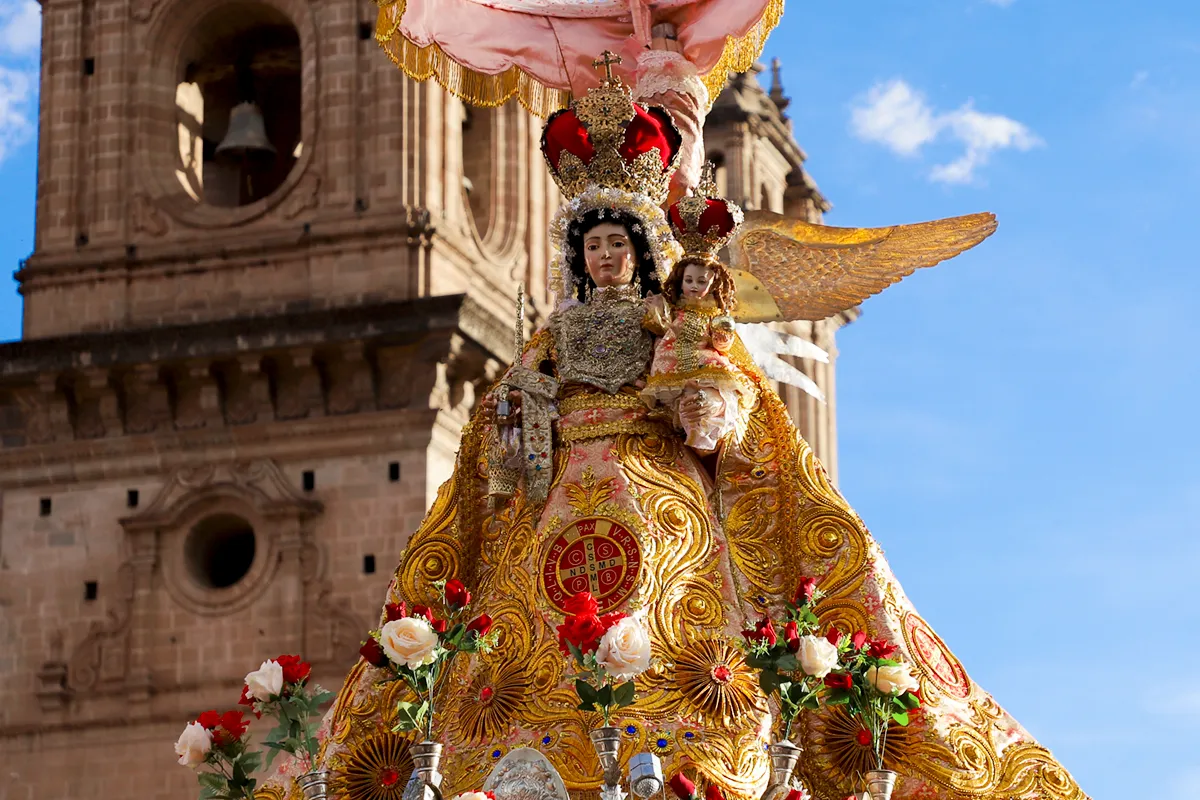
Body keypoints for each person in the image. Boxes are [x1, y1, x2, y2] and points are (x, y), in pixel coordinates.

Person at [305, 71, 1088, 800]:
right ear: (577, 257)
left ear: (642, 253)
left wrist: (709, 409)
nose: (604, 257)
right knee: (521, 645)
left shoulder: (668, 323)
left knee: (681, 634)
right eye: (591, 246)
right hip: (551, 507)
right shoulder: (554, 334)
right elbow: (502, 414)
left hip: (661, 498)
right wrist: (515, 423)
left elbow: (736, 397)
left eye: (617, 244)